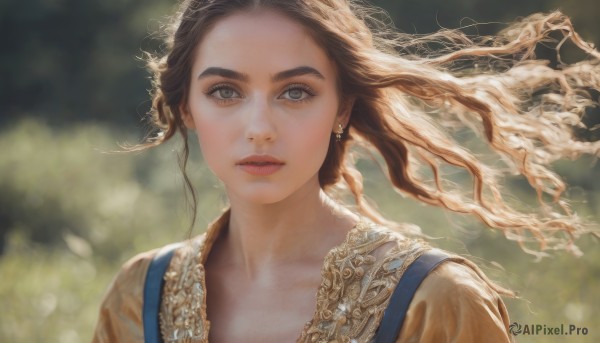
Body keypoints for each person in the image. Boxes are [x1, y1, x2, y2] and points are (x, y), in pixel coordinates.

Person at [92, 0, 600, 342]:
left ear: (340, 108)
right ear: (186, 108)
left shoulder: (434, 300)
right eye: (225, 91)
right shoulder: (141, 295)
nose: (260, 128)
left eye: (296, 92)